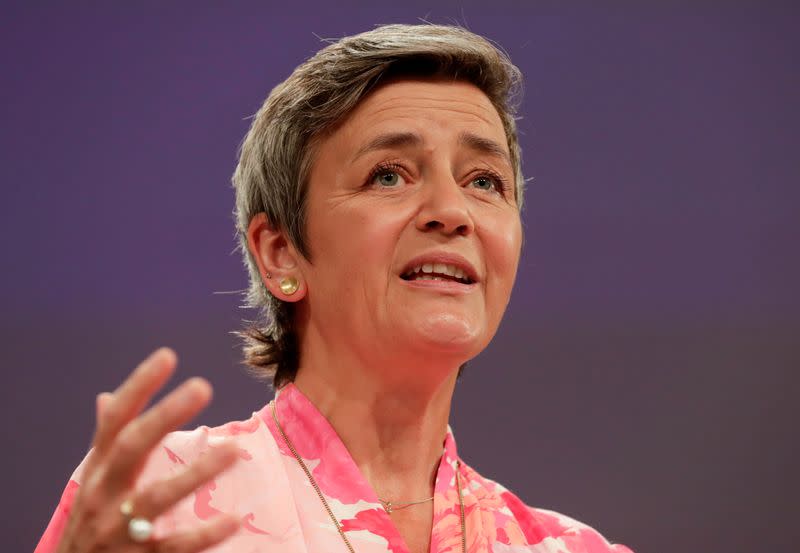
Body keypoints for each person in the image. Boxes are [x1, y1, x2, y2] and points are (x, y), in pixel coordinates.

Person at [35, 24, 633, 553]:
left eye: (484, 181)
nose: (453, 211)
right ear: (280, 253)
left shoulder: (570, 548)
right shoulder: (157, 505)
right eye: (388, 174)